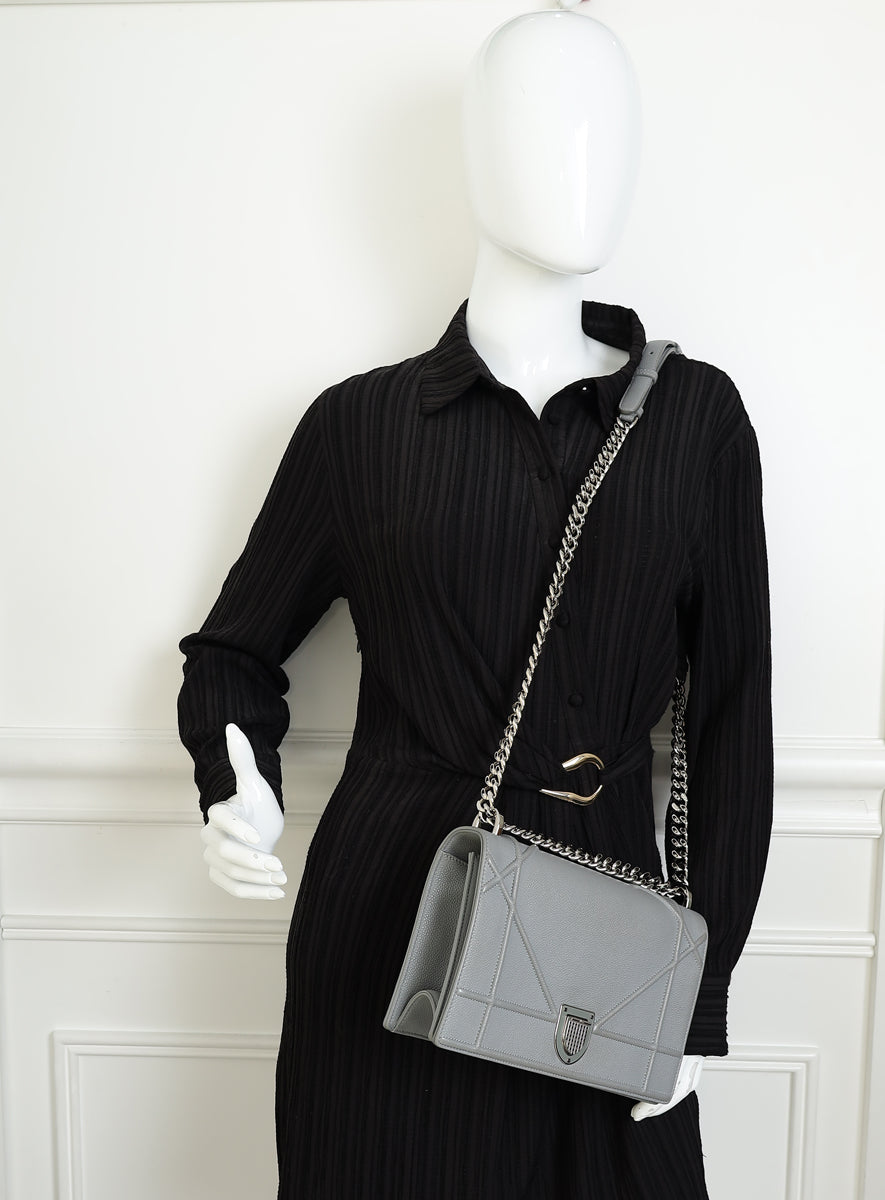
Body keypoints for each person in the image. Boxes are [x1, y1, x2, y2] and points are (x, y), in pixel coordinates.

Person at [178, 9, 772, 1198]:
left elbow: (731, 724)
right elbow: (233, 652)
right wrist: (233, 776)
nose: (587, 163)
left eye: (612, 130)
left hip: (607, 941)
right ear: (474, 152)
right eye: (545, 124)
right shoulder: (361, 426)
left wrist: (697, 998)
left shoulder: (694, 421)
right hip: (393, 923)